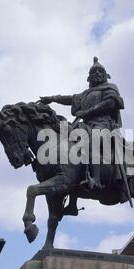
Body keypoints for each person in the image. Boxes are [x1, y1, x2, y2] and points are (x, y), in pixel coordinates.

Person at [40, 57, 124, 190]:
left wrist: (87, 112)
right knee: (65, 142)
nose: (97, 74)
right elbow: (71, 99)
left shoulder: (110, 88)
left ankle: (96, 179)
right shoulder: (85, 93)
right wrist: (52, 99)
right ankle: (70, 187)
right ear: (89, 78)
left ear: (105, 75)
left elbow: (110, 103)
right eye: (94, 72)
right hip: (86, 126)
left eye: (100, 71)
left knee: (93, 141)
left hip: (103, 125)